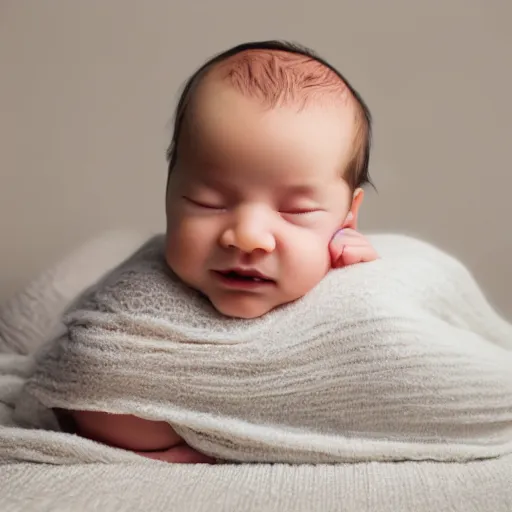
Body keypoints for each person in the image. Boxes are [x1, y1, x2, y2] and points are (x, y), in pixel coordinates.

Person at [68, 40, 379, 463]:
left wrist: (355, 282)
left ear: (347, 216)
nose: (247, 236)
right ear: (169, 192)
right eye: (207, 201)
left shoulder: (351, 274)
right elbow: (85, 377)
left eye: (296, 210)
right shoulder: (135, 307)